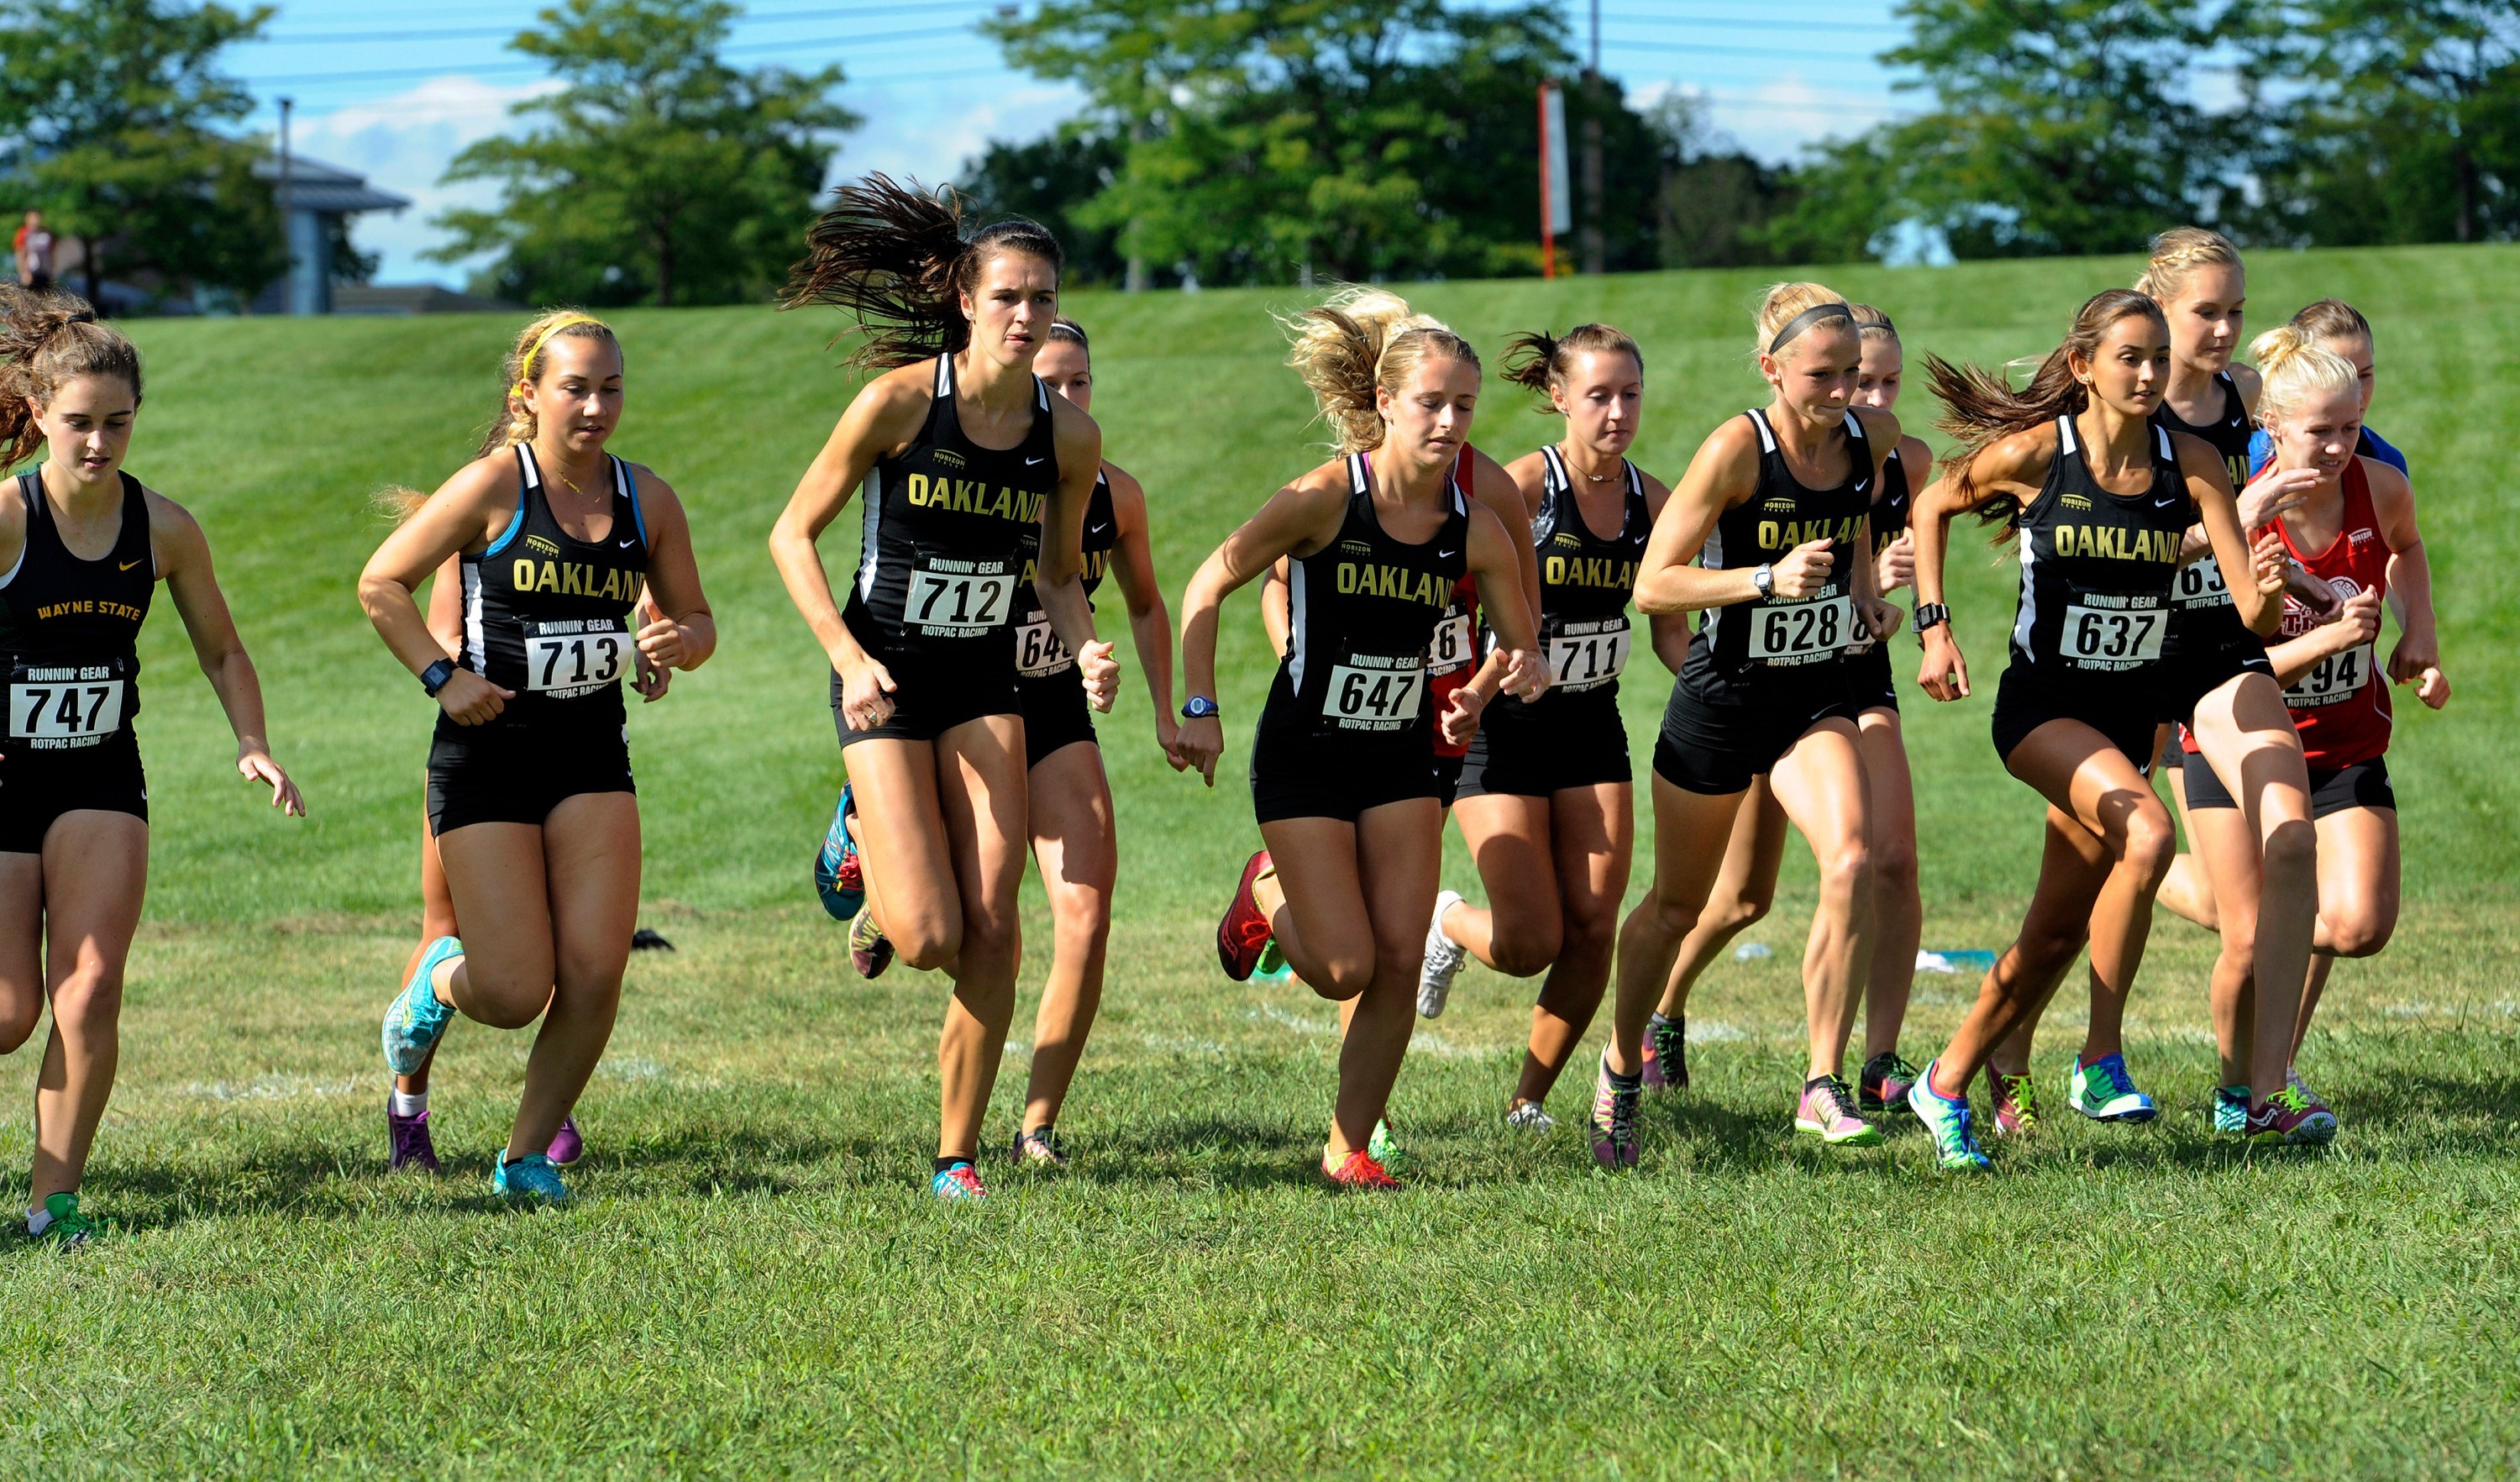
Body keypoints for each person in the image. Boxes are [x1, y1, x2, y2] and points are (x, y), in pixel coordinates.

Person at [768, 178, 1116, 1203]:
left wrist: (1085, 649)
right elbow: (791, 535)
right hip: (885, 682)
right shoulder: (900, 404)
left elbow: (1056, 573)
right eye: (1006, 295)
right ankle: (859, 831)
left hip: (985, 682)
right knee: (925, 936)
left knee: (994, 929)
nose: (1025, 315)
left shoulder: (1068, 439)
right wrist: (846, 657)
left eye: (1042, 298)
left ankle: (954, 1158)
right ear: (966, 301)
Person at [1901, 288, 2290, 1172]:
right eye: (2130, 358)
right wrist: (1934, 626)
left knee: (2052, 934)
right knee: (2148, 836)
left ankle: (1945, 1082)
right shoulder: (2040, 453)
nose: (2149, 374)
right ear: (2084, 366)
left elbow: (2253, 615)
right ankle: (2098, 1060)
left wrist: (2268, 591)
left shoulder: (2194, 462)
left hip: (2128, 715)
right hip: (2043, 710)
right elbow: (1930, 506)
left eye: (2159, 359)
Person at [1177, 300, 1546, 1189]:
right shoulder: (1323, 498)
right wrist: (1198, 705)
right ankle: (1264, 889)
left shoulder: (1474, 527)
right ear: (1385, 402)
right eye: (1431, 403)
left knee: (1398, 959)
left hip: (1401, 756)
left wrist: (1483, 693)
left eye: (1464, 405)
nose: (1449, 421)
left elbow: (1519, 643)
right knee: (1344, 967)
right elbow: (1208, 583)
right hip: (1305, 752)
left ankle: (1347, 1149)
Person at [360, 310, 716, 1207]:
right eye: (576, 388)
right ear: (530, 394)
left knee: (595, 971)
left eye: (611, 388)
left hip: (591, 754)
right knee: (515, 990)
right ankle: (436, 984)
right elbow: (380, 583)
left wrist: (676, 644)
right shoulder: (492, 486)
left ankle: (523, 1161)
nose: (596, 406)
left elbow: (697, 620)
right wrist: (443, 676)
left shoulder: (648, 499)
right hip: (489, 757)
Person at [0, 288, 303, 1244]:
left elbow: (224, 650)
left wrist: (252, 743)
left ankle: (52, 1203)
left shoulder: (164, 529)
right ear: (38, 412)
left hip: (99, 776)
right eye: (79, 423)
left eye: (118, 423)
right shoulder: (6, 517)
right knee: (7, 1013)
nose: (99, 443)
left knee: (89, 986)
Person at [1593, 284, 1904, 1170]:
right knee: (1679, 906)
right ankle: (1620, 1066)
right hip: (1723, 699)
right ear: (1772, 369)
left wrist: (1865, 594)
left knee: (1851, 858)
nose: (1842, 392)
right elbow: (1653, 585)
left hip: (1815, 694)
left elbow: (1852, 524)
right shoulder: (1737, 448)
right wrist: (1764, 580)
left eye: (1852, 373)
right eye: (1821, 375)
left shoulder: (1873, 438)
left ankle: (1821, 1082)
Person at [2166, 323, 2444, 1123]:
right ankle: (2244, 1090)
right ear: (2273, 428)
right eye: (2320, 431)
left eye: (2350, 427)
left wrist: (2420, 634)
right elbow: (2229, 671)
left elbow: (2407, 546)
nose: (2337, 447)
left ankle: (2226, 913)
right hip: (2243, 745)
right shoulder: (2243, 516)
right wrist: (2330, 637)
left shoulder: (2381, 487)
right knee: (2247, 937)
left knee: (2357, 925)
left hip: (2344, 742)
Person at [1415, 323, 1685, 1133]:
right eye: (1599, 395)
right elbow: (1454, 596)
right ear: (1560, 398)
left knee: (1594, 929)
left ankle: (1528, 1101)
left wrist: (1727, 693)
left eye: (1630, 394)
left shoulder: (1652, 501)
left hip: (1592, 725)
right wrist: (1471, 684)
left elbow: (1671, 631)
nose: (1617, 411)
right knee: (1530, 940)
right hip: (1501, 725)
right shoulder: (1526, 487)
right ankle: (1448, 921)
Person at [383, 553, 669, 1173]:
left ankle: (547, 1108)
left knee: (569, 943)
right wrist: (494, 664)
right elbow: (443, 637)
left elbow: (642, 608)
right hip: (482, 761)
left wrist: (648, 641)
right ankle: (408, 1108)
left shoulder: (603, 524)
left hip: (579, 758)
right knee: (444, 931)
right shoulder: (473, 530)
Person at [1002, 316, 1177, 1164]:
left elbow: (1144, 603)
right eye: (1049, 384)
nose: (1068, 399)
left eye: (1080, 383)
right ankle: (866, 827)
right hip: (963, 712)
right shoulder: (978, 484)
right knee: (956, 927)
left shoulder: (1116, 495)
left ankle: (1037, 1127)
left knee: (1085, 914)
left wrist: (1170, 710)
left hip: (1053, 707)